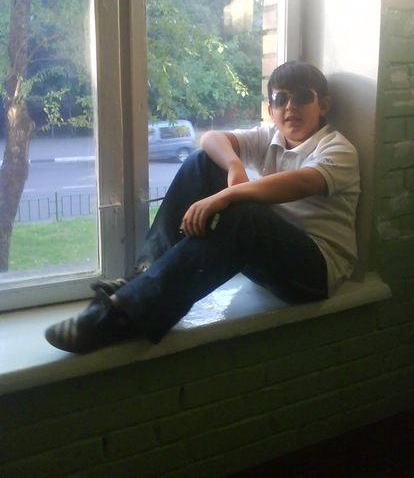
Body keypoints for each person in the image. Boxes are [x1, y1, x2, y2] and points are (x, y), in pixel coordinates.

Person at [45, 61, 360, 354]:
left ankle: (122, 314)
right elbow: (210, 139)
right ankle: (143, 274)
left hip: (315, 272)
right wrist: (234, 165)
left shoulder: (338, 148)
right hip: (272, 256)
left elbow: (301, 183)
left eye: (302, 97)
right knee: (202, 162)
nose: (289, 106)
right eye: (280, 99)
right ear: (270, 109)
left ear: (323, 105)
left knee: (245, 212)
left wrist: (225, 196)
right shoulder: (270, 137)